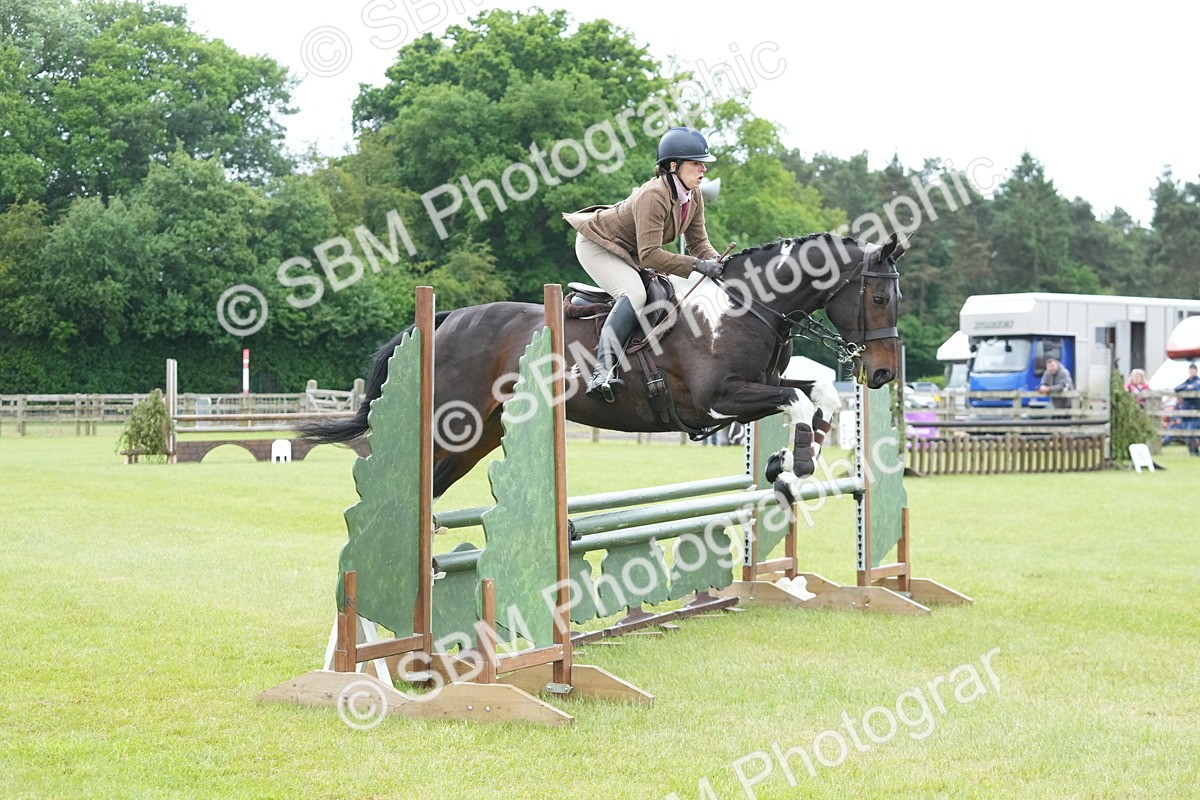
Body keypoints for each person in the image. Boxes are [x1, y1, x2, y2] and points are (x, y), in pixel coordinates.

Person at [562, 126, 724, 402]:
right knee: (635, 293)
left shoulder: (693, 196)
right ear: (673, 166)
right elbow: (650, 254)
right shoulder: (654, 195)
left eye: (702, 164)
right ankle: (601, 372)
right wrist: (697, 266)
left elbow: (699, 244)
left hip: (628, 251)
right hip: (597, 245)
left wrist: (721, 264)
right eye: (696, 163)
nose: (703, 170)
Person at [1174, 362, 1200, 456]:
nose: (1191, 371)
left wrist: (1187, 388)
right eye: (1190, 369)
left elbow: (1195, 388)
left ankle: (1195, 451)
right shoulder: (1187, 381)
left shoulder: (1197, 381)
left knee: (1192, 431)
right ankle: (1191, 451)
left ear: (1196, 371)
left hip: (1194, 410)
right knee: (1186, 431)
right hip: (1185, 410)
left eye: (1193, 369)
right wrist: (1186, 387)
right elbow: (1177, 388)